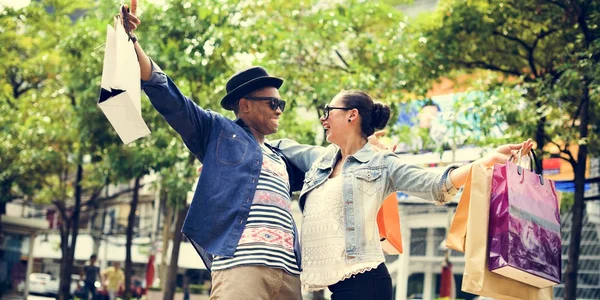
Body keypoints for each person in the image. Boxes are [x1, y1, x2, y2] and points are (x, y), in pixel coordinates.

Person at [271, 90, 533, 299]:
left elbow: (435, 185)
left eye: (329, 111)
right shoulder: (319, 160)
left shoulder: (382, 163)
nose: (323, 118)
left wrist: (484, 162)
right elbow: (277, 146)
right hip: (337, 286)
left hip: (365, 282)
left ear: (352, 115)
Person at [120, 2, 304, 299]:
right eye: (273, 103)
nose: (279, 109)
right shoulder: (219, 132)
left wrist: (365, 143)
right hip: (242, 267)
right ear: (245, 105)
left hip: (289, 274)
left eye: (281, 104)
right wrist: (131, 42)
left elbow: (330, 174)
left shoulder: (282, 157)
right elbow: (171, 99)